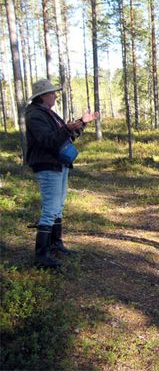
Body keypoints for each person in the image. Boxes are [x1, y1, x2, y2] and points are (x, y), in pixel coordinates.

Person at [26, 79, 99, 267]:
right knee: (50, 209)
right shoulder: (35, 115)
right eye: (52, 93)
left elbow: (65, 137)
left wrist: (82, 123)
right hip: (47, 165)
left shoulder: (49, 113)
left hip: (59, 164)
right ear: (42, 96)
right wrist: (67, 128)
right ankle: (41, 255)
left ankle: (55, 244)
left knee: (58, 207)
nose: (55, 95)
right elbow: (48, 141)